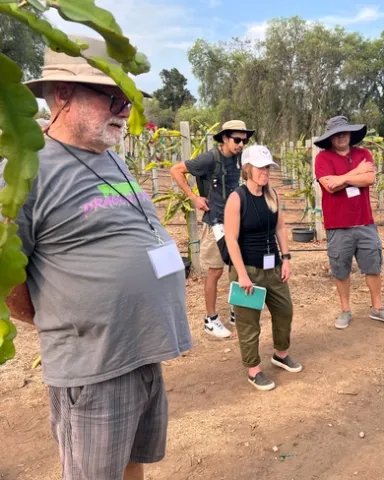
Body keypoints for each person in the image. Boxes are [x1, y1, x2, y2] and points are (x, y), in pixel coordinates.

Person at [4, 36, 192, 480]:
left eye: (129, 99)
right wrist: (70, 318)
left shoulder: (111, 157)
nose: (125, 110)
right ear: (64, 94)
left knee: (134, 463)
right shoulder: (26, 172)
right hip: (95, 366)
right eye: (114, 97)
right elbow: (8, 275)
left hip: (143, 350)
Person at [224, 145, 301, 391]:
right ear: (247, 168)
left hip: (273, 267)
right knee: (249, 322)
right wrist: (243, 275)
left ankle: (280, 353)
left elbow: (279, 228)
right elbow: (231, 239)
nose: (264, 172)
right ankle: (253, 369)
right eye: (260, 167)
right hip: (248, 269)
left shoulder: (273, 195)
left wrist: (286, 258)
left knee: (284, 311)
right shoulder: (237, 198)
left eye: (267, 167)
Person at [313, 116, 384, 329]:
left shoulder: (364, 154)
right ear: (330, 138)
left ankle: (377, 308)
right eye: (336, 134)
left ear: (351, 134)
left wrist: (341, 178)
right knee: (340, 269)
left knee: (373, 266)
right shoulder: (323, 158)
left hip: (364, 222)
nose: (341, 136)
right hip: (337, 224)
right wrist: (355, 174)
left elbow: (369, 179)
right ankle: (345, 310)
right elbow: (328, 186)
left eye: (344, 132)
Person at [170, 120, 254, 339]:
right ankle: (211, 319)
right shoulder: (209, 158)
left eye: (244, 141)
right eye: (237, 140)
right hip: (216, 221)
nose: (241, 144)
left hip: (238, 221)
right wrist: (194, 197)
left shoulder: (239, 158)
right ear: (225, 138)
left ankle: (238, 310)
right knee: (215, 271)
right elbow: (176, 170)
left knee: (238, 267)